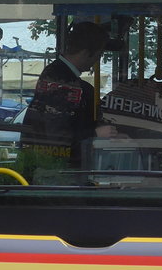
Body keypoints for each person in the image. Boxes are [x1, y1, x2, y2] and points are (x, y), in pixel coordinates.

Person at [22, 21, 117, 169]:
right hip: (57, 169)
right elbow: (58, 135)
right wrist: (95, 133)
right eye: (98, 55)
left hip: (39, 161)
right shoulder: (67, 83)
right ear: (86, 53)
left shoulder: (52, 72)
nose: (97, 61)